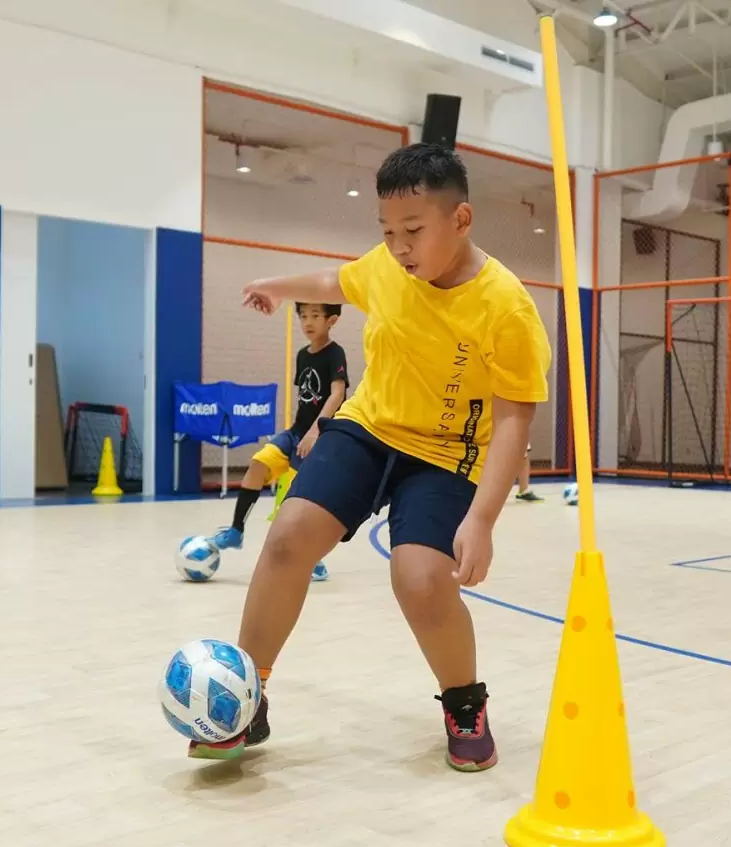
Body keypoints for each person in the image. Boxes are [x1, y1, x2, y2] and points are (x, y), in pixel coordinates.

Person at [187, 143, 552, 770]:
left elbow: (516, 417)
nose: (399, 246)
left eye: (413, 231)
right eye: (387, 231)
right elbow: (340, 281)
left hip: (446, 453)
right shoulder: (387, 266)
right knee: (287, 539)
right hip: (369, 427)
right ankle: (249, 698)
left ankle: (464, 701)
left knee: (419, 579)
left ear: (460, 221)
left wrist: (484, 519)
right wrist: (276, 286)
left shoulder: (506, 307)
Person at [206, 303, 348, 582]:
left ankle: (313, 558)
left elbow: (337, 394)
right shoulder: (302, 355)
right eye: (303, 316)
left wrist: (316, 431)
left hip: (318, 437)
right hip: (294, 432)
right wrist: (300, 431)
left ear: (331, 320)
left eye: (315, 316)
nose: (308, 322)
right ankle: (236, 531)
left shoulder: (335, 353)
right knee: (257, 465)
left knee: (295, 505)